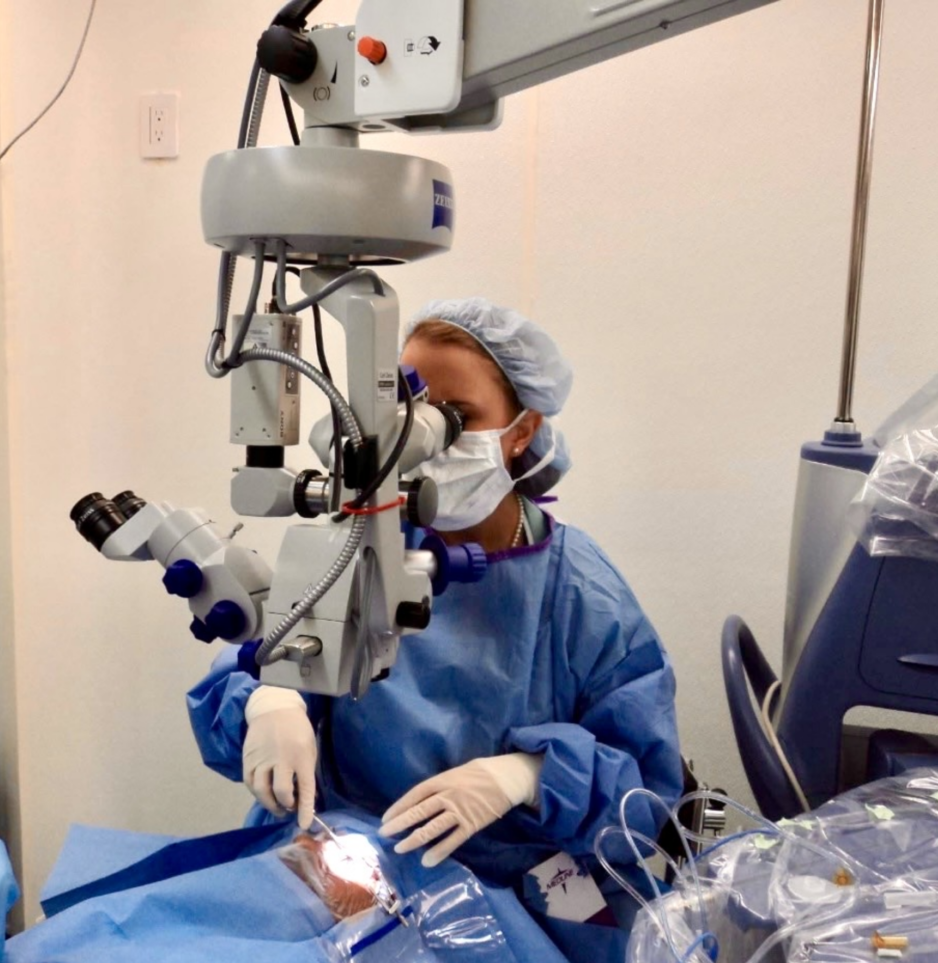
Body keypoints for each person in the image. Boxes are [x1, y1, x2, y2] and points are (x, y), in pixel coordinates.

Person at [187, 296, 682, 903]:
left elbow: (645, 792)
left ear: (522, 431)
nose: (423, 438)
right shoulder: (356, 544)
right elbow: (261, 663)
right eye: (410, 410)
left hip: (510, 887)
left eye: (457, 416)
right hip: (344, 868)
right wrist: (271, 700)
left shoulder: (583, 594)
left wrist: (528, 776)